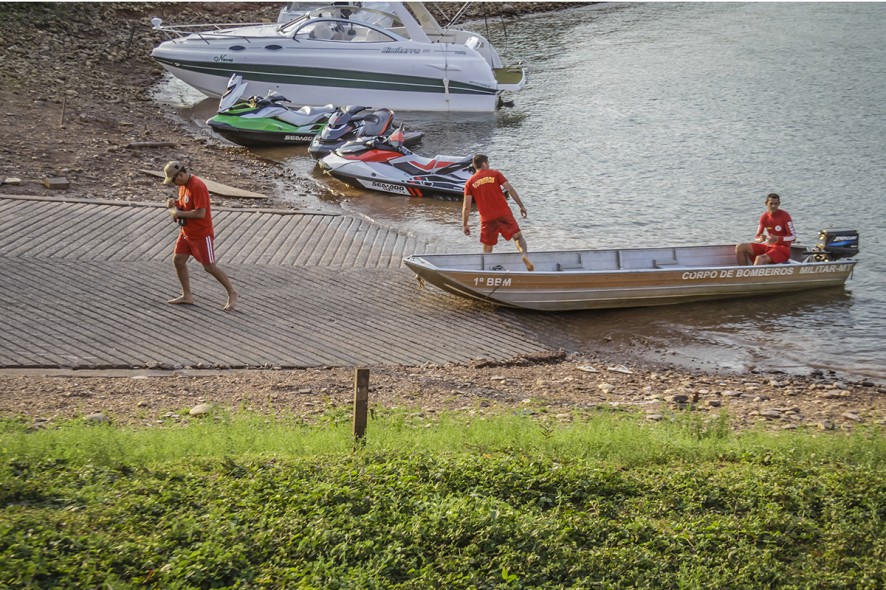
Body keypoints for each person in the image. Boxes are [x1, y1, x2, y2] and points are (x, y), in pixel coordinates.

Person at [162, 160, 238, 311]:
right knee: (178, 260)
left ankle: (232, 292)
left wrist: (178, 213)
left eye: (174, 180)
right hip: (186, 233)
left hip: (201, 235)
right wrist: (174, 204)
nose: (174, 184)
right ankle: (187, 295)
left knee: (209, 267)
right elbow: (185, 204)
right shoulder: (183, 186)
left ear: (181, 175)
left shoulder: (197, 186)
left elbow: (200, 213)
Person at [462, 154, 534, 271]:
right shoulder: (495, 174)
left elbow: (466, 206)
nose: (489, 165)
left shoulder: (469, 182)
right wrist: (521, 206)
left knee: (488, 244)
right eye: (488, 163)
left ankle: (486, 268)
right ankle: (524, 255)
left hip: (487, 218)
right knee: (518, 237)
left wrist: (465, 224)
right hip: (504, 213)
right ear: (484, 164)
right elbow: (510, 189)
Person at [735, 193, 796, 266]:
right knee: (740, 247)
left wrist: (778, 238)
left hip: (782, 249)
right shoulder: (764, 217)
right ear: (766, 203)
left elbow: (793, 237)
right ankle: (744, 271)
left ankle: (753, 273)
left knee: (759, 258)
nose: (773, 206)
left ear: (779, 204)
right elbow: (757, 237)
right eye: (771, 204)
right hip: (768, 246)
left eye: (776, 204)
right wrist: (760, 239)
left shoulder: (785, 216)